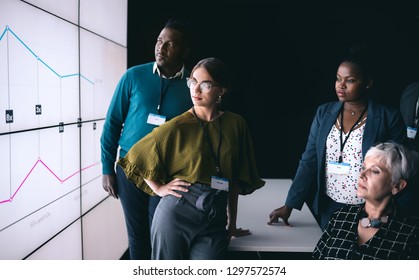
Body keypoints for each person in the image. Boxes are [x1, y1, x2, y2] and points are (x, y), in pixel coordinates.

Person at [117, 57, 265, 260]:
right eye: (193, 82)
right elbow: (134, 158)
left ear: (221, 90)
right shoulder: (179, 125)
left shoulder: (236, 124)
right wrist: (159, 188)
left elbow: (235, 180)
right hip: (176, 214)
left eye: (205, 85)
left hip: (215, 218)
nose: (195, 90)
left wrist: (231, 225)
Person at [268, 44, 407, 230]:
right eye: (338, 79)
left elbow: (398, 169)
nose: (341, 85)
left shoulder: (388, 117)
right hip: (328, 207)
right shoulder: (324, 113)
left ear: (367, 83)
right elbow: (309, 159)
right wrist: (290, 204)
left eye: (350, 80)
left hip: (368, 210)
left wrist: (383, 213)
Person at [100, 18, 193, 260]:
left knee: (160, 235)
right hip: (129, 170)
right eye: (159, 41)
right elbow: (112, 123)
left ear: (184, 51)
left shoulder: (191, 87)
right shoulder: (133, 76)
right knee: (137, 238)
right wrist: (106, 168)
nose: (161, 48)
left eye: (170, 44)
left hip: (168, 174)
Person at [312, 142, 419, 259]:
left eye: (375, 171)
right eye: (364, 167)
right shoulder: (340, 217)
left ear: (397, 186)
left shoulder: (410, 234)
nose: (362, 174)